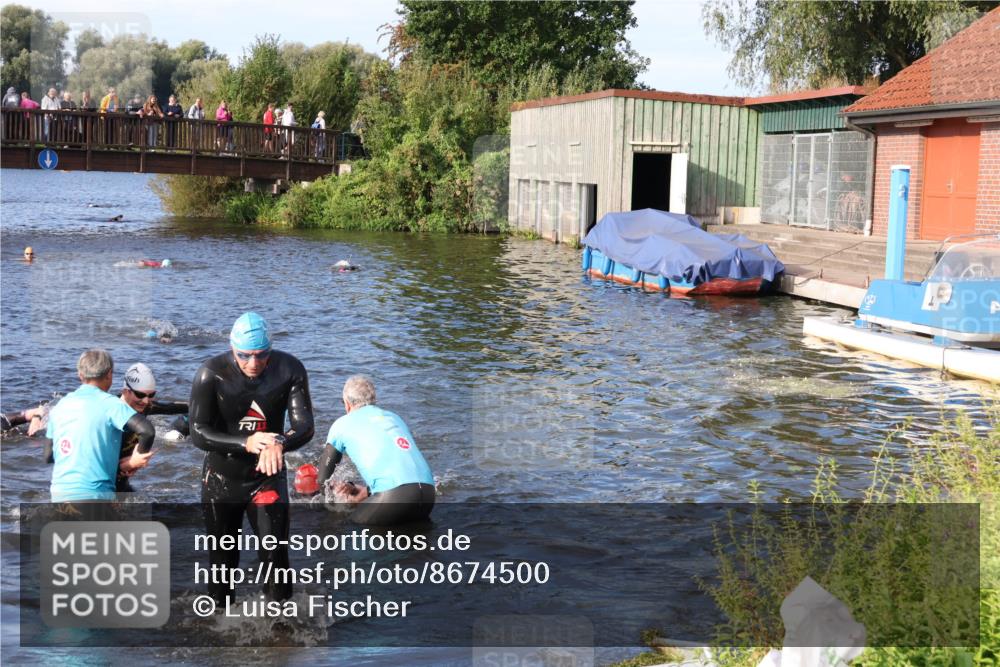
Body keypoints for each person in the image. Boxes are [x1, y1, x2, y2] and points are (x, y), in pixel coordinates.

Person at [189, 312, 314, 604]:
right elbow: (198, 432)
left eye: (261, 355)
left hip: (266, 479)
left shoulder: (290, 369)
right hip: (221, 481)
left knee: (276, 558)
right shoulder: (211, 373)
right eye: (244, 356)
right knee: (222, 562)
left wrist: (280, 442)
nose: (253, 364)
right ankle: (218, 626)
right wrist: (246, 442)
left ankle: (281, 629)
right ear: (233, 349)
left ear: (271, 349)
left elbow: (305, 426)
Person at [317, 376, 435, 526]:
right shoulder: (394, 418)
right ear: (374, 400)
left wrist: (334, 504)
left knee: (348, 529)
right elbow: (400, 470)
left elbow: (322, 480)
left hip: (393, 497)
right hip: (428, 496)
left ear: (347, 404)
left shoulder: (341, 424)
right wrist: (366, 492)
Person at [47, 349, 155, 503]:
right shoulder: (112, 404)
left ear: (80, 375)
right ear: (110, 374)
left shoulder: (59, 406)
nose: (145, 401)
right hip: (96, 496)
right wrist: (134, 462)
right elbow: (147, 430)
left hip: (59, 496)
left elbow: (48, 456)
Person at [114, 363, 188, 492]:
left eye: (151, 395)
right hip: (106, 480)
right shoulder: (110, 412)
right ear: (125, 391)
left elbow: (170, 407)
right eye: (140, 395)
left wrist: (202, 405)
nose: (146, 401)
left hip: (123, 479)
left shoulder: (145, 406)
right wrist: (125, 467)